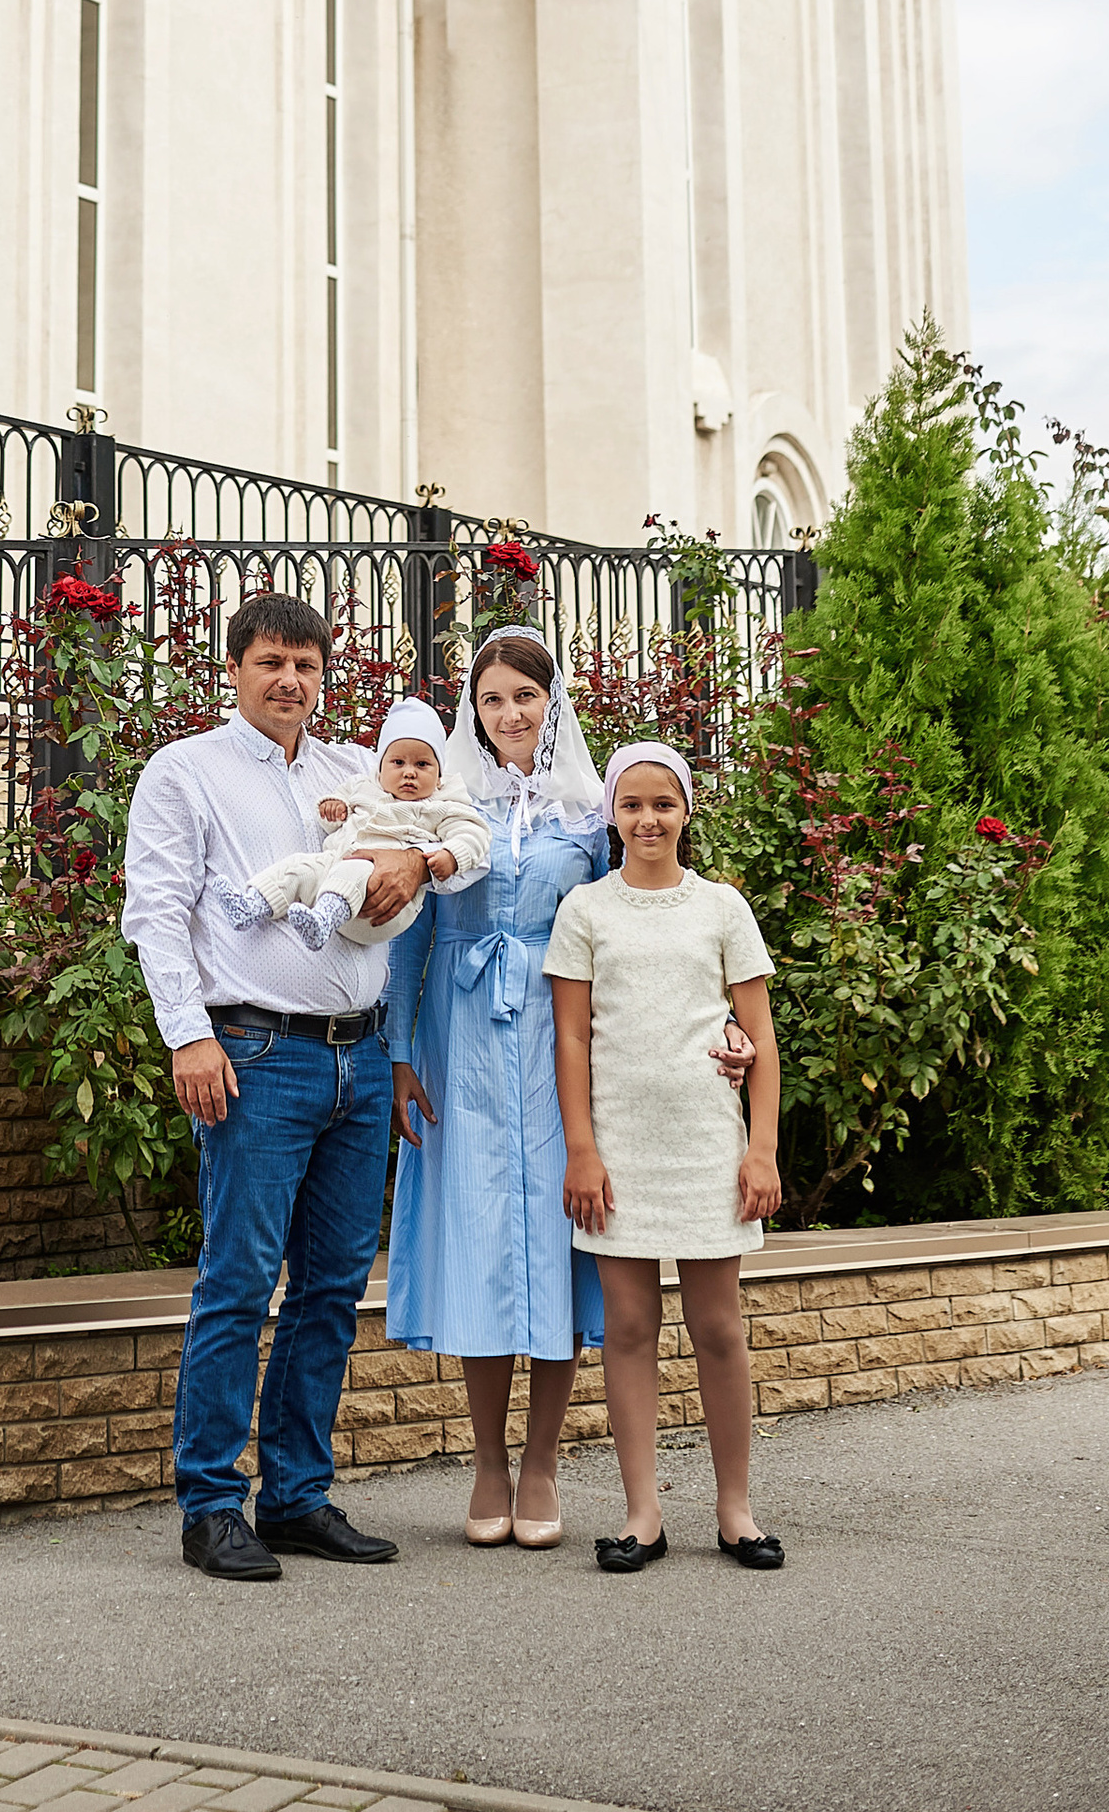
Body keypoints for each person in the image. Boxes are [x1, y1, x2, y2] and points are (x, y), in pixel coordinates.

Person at [385, 633, 737, 1547]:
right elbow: (409, 936)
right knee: (476, 1243)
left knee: (552, 1248)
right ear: (473, 710)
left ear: (552, 705)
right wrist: (396, 1051)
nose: (510, 714)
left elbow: (636, 931)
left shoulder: (590, 814)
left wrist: (714, 1027)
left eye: (525, 697)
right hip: (457, 1039)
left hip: (557, 1041)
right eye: (492, 699)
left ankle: (541, 1462)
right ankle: (488, 1465)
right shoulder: (439, 803)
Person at [122, 590, 424, 1584]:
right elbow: (157, 914)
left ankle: (295, 1497)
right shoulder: (187, 772)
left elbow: (440, 834)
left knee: (332, 1288)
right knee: (240, 1284)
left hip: (360, 1059)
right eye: (269, 663)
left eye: (305, 664)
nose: (289, 680)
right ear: (235, 669)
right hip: (254, 1058)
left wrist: (413, 860)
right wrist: (187, 1037)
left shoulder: (353, 771)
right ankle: (210, 1506)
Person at [545, 738, 785, 1573]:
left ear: (687, 810)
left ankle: (736, 1510)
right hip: (619, 1151)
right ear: (611, 813)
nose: (648, 819)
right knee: (631, 1329)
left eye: (664, 803)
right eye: (632, 804)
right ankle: (642, 1512)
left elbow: (758, 1035)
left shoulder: (721, 907)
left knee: (719, 1329)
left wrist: (762, 1150)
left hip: (707, 1148)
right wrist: (583, 1149)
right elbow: (571, 1038)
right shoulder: (585, 911)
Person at [212, 720, 488, 946]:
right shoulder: (362, 786)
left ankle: (323, 919)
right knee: (301, 867)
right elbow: (332, 816)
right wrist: (333, 809)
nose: (409, 773)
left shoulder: (441, 804)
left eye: (422, 765)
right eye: (398, 763)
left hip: (385, 906)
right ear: (380, 768)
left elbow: (474, 834)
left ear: (439, 775)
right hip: (338, 871)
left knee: (356, 867)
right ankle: (252, 904)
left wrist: (451, 855)